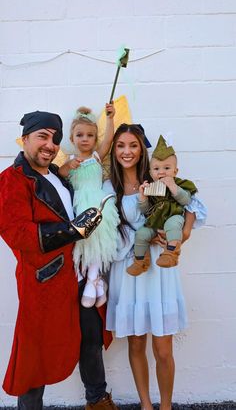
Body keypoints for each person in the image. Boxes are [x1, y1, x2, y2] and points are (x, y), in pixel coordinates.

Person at [0, 111, 117, 410]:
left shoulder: (58, 175)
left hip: (76, 276)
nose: (50, 144)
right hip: (43, 283)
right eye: (42, 136)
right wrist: (72, 230)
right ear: (25, 138)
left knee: (90, 338)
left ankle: (98, 401)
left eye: (55, 138)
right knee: (33, 356)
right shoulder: (12, 179)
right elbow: (17, 234)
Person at [104, 124, 207, 410]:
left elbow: (193, 207)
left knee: (162, 348)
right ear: (113, 149)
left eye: (133, 145)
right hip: (129, 269)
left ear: (142, 149)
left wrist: (182, 235)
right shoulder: (107, 186)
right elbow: (106, 232)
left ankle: (166, 406)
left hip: (159, 274)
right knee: (136, 344)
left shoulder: (157, 177)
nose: (127, 151)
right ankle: (146, 405)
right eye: (121, 145)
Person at [59, 104, 119, 308]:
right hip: (78, 207)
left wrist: (110, 118)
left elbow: (109, 140)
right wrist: (67, 166)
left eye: (90, 135)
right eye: (80, 135)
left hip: (98, 204)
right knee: (84, 242)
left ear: (95, 139)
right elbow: (61, 177)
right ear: (71, 139)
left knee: (98, 239)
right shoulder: (69, 160)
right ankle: (97, 282)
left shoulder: (96, 157)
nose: (85, 139)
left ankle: (93, 279)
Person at [127, 134, 197, 276]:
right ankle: (140, 261)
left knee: (172, 225)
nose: (161, 172)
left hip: (174, 216)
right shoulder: (151, 188)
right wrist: (142, 197)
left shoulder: (180, 184)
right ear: (151, 173)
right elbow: (145, 211)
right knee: (141, 233)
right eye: (157, 169)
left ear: (175, 171)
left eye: (166, 168)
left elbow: (187, 201)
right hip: (155, 221)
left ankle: (171, 254)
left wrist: (173, 187)